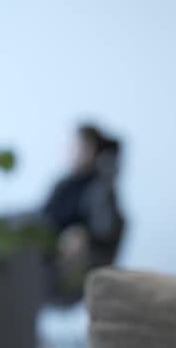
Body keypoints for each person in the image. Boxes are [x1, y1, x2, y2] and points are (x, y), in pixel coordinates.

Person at [41, 123, 125, 302]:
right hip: (46, 250)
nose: (74, 151)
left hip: (80, 263)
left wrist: (109, 170)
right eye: (72, 146)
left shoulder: (101, 189)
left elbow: (105, 230)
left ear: (95, 152)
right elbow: (42, 217)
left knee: (76, 238)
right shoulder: (62, 185)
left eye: (81, 146)